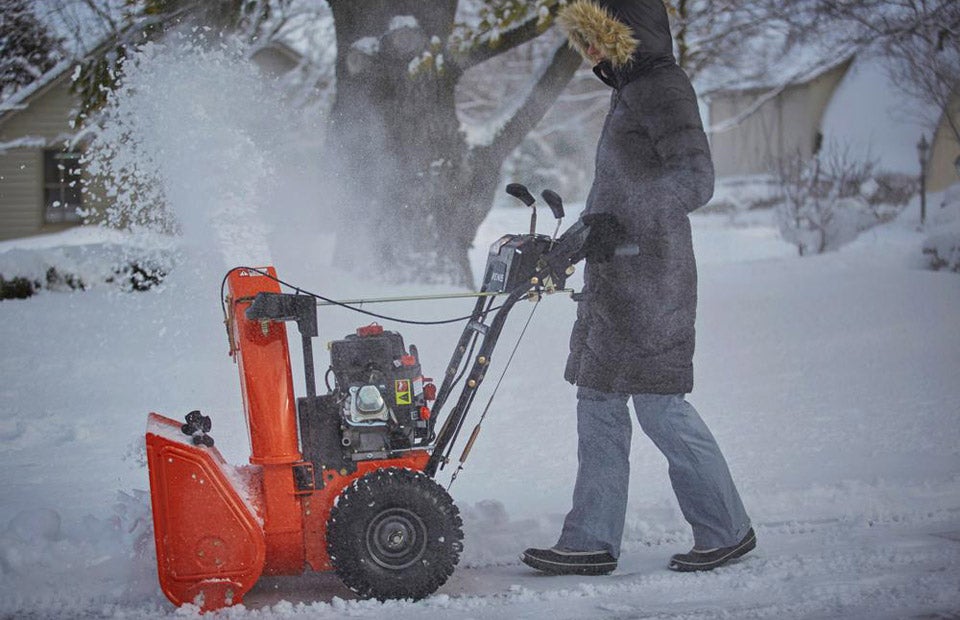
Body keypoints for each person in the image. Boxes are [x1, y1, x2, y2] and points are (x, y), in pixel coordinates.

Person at [520, 0, 755, 576]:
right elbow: (609, 203)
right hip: (617, 285)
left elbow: (695, 181)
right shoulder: (628, 94)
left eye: (598, 38)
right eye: (585, 42)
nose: (591, 53)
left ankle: (726, 530)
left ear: (626, 33)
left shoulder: (663, 87)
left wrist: (626, 224)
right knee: (597, 403)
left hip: (654, 279)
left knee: (660, 406)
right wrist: (565, 251)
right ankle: (590, 540)